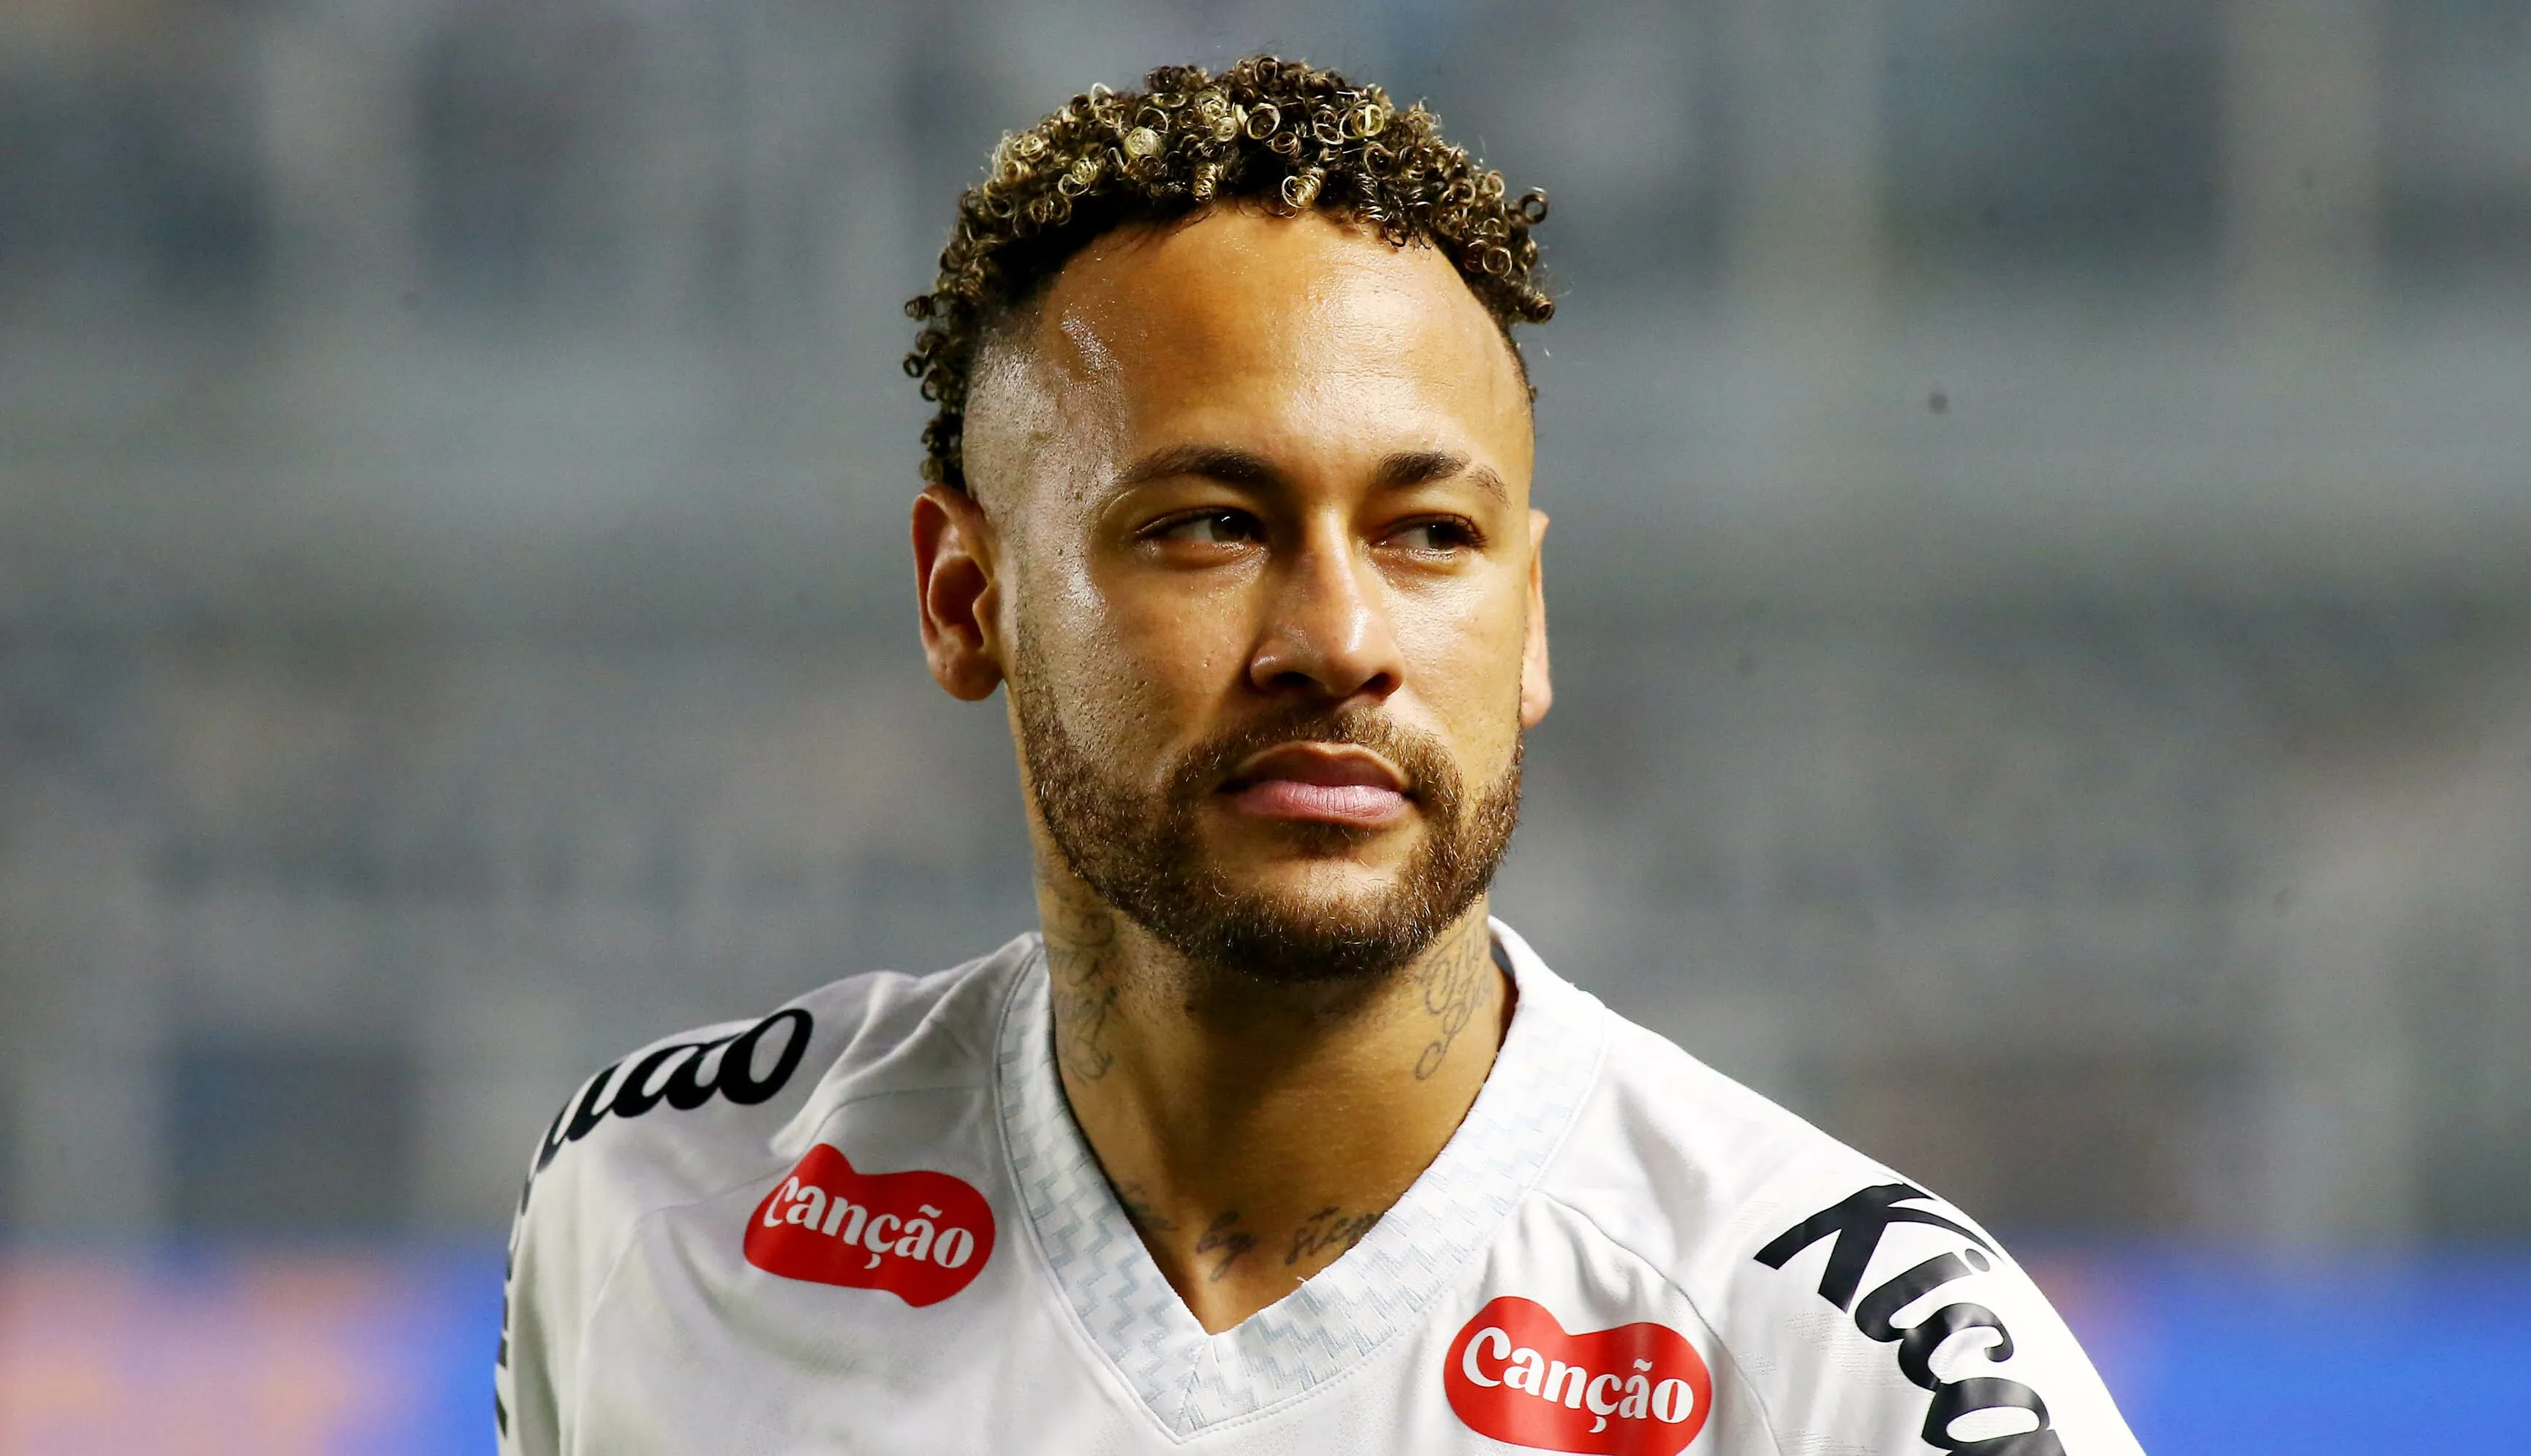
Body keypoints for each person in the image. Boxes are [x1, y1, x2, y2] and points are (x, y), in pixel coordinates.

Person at [495, 55, 2144, 1455]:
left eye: (1431, 534)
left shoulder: (1859, 1378)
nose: (1341, 637)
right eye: (1213, 526)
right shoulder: (658, 1214)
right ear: (963, 594)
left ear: (1534, 622)